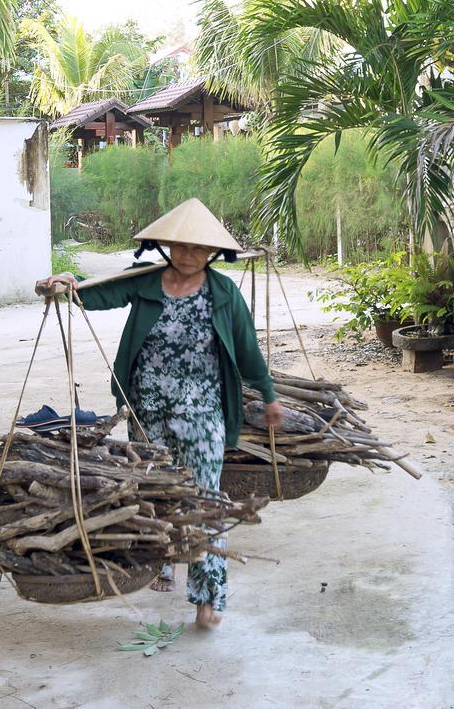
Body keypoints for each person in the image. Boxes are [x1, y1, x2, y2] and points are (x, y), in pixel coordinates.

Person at [35, 198, 284, 628]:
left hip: (202, 411)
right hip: (146, 408)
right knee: (153, 490)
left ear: (211, 252)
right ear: (166, 245)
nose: (188, 255)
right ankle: (163, 562)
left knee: (205, 495)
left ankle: (208, 597)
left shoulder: (223, 293)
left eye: (198, 248)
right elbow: (98, 293)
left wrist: (268, 393)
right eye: (180, 246)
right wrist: (66, 284)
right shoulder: (147, 281)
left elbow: (247, 348)